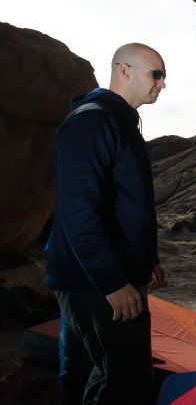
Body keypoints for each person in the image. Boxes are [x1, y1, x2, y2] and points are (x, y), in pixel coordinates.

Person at [46, 43, 168, 404]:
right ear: (124, 70)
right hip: (93, 281)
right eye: (156, 74)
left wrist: (148, 262)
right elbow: (78, 210)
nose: (162, 84)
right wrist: (113, 282)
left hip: (99, 275)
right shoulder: (92, 121)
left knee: (86, 372)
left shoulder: (119, 122)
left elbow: (126, 206)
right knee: (125, 382)